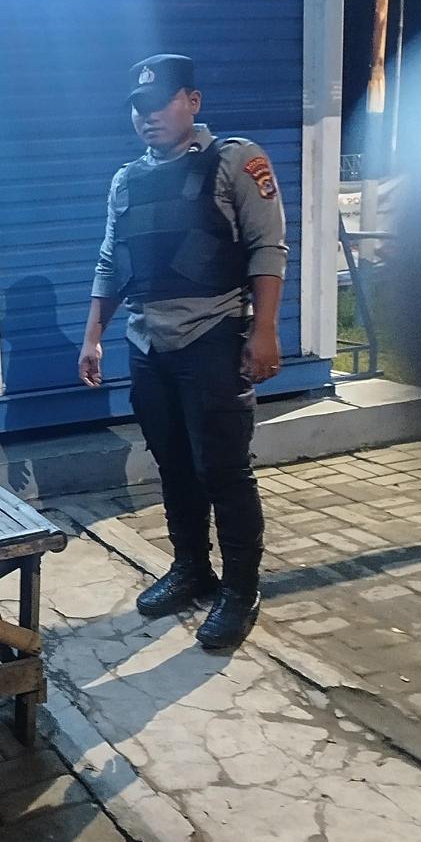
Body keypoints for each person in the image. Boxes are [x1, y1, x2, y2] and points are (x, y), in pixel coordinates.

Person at [78, 54, 287, 649]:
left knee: (223, 469)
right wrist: (93, 336)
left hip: (213, 338)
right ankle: (192, 568)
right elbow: (112, 261)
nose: (147, 117)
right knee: (172, 466)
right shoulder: (126, 180)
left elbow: (267, 247)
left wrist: (265, 331)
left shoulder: (235, 160)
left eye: (159, 104)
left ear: (192, 101)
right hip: (147, 343)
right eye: (137, 109)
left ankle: (240, 590)